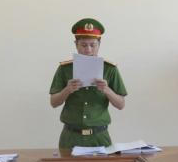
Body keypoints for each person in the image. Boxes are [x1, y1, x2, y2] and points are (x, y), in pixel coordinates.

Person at [49, 18, 127, 149]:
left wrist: (107, 90)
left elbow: (121, 105)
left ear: (99, 44)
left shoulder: (110, 69)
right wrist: (67, 90)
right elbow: (54, 103)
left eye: (93, 45)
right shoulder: (64, 69)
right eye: (84, 45)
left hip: (99, 136)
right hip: (70, 137)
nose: (88, 50)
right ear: (76, 44)